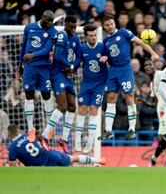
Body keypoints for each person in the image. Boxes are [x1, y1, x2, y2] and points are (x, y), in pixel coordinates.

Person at [98, 16, 159, 140]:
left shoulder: (124, 32)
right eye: (107, 25)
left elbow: (140, 42)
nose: (110, 26)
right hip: (113, 70)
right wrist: (104, 59)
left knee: (129, 96)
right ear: (104, 27)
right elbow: (107, 58)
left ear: (115, 24)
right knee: (111, 97)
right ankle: (108, 130)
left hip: (125, 69)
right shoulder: (105, 41)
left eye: (111, 24)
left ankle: (132, 129)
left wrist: (152, 53)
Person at [40, 15, 81, 154]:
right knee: (62, 106)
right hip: (57, 73)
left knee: (72, 106)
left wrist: (73, 68)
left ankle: (63, 139)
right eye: (72, 26)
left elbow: (79, 57)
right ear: (66, 24)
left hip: (67, 74)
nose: (74, 29)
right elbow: (57, 56)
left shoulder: (75, 38)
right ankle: (45, 135)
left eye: (76, 26)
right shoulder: (62, 35)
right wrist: (69, 66)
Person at [17, 10, 57, 143]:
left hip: (44, 67)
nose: (50, 24)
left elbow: (47, 49)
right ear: (42, 17)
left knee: (46, 94)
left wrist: (33, 55)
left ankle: (49, 128)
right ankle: (30, 128)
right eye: (48, 21)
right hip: (29, 67)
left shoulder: (52, 31)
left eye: (52, 21)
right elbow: (23, 47)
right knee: (29, 95)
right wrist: (20, 66)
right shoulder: (29, 27)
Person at [75, 23, 108, 153]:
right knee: (82, 110)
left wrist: (108, 59)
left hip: (99, 85)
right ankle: (78, 142)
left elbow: (112, 60)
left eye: (95, 35)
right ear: (86, 36)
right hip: (86, 84)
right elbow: (77, 63)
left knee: (94, 110)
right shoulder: (82, 48)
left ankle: (89, 143)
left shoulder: (103, 47)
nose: (94, 37)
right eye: (91, 35)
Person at [7, 124, 105, 167]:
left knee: (67, 171)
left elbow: (13, 166)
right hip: (50, 155)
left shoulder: (12, 147)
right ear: (18, 130)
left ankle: (91, 167)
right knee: (73, 158)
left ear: (9, 133)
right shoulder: (27, 135)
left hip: (40, 166)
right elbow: (41, 145)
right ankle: (98, 160)